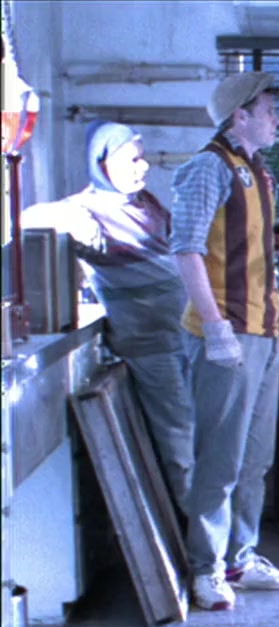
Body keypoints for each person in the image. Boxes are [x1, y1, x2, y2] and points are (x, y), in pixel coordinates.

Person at [169, 71, 279, 611]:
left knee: (254, 459)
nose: (277, 119)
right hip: (226, 334)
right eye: (268, 110)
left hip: (260, 331)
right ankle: (206, 567)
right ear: (238, 116)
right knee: (220, 459)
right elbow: (186, 249)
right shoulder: (209, 168)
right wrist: (215, 327)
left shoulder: (258, 172)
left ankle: (240, 558)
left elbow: (261, 259)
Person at [21, 122, 194, 511]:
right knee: (180, 436)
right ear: (102, 164)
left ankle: (211, 527)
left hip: (186, 335)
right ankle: (197, 531)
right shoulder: (88, 212)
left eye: (142, 157)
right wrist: (68, 215)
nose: (143, 166)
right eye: (132, 159)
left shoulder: (146, 203)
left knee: (201, 432)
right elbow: (26, 219)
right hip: (151, 345)